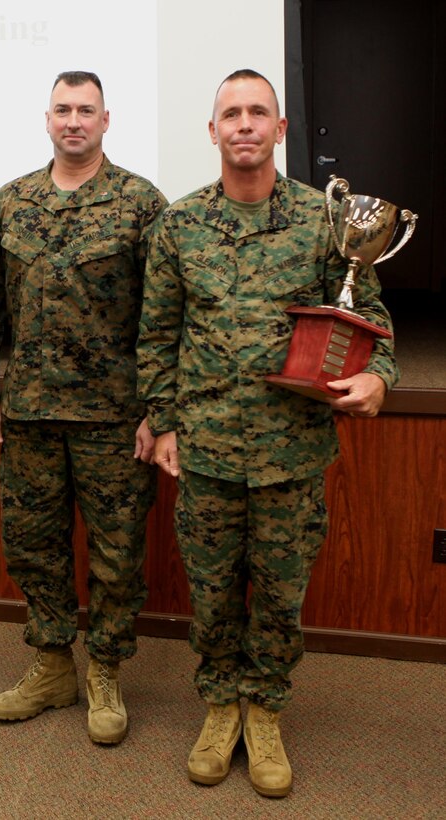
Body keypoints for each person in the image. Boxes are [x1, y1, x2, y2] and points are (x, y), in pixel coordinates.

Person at [136, 69, 397, 796]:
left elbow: (370, 320)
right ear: (213, 132)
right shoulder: (179, 226)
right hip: (208, 451)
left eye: (259, 113)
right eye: (231, 113)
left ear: (280, 131)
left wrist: (380, 378)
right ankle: (221, 706)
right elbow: (156, 336)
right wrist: (162, 422)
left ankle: (266, 710)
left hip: (291, 452)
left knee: (280, 596)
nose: (244, 124)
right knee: (214, 593)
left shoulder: (325, 223)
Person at [0, 70, 167, 744]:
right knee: (33, 545)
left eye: (86, 110)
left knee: (116, 551)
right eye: (62, 109)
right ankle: (53, 663)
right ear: (47, 119)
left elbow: (163, 318)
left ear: (106, 120)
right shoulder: (6, 205)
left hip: (114, 418)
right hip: (28, 413)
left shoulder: (141, 204)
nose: (73, 120)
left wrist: (156, 412)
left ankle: (105, 670)